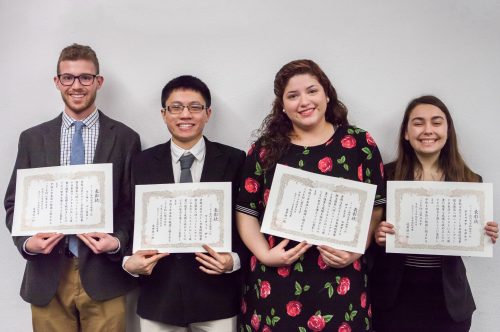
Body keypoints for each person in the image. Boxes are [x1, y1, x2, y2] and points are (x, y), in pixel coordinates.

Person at [236, 59, 385, 331]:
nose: (304, 101)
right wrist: (265, 254)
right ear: (282, 106)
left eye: (312, 91)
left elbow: (375, 209)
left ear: (327, 94)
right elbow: (245, 213)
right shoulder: (264, 150)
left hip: (341, 281)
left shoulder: (359, 144)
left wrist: (356, 250)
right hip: (276, 284)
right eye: (293, 96)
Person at [4, 44, 141, 331]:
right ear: (57, 82)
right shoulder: (32, 138)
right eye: (68, 77)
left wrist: (117, 241)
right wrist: (27, 243)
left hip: (105, 273)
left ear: (98, 82)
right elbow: (14, 203)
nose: (76, 86)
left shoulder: (126, 138)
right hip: (47, 273)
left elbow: (133, 205)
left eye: (85, 78)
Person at [123, 75, 246, 332]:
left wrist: (233, 261)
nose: (185, 115)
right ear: (164, 113)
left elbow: (247, 223)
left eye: (195, 107)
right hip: (159, 294)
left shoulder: (235, 160)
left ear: (208, 113)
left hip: (217, 296)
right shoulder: (141, 163)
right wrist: (128, 262)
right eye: (176, 107)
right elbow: (126, 217)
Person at [369, 95, 499, 332]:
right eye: (418, 123)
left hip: (448, 300)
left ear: (448, 131)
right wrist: (378, 235)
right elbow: (369, 234)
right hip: (394, 297)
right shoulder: (385, 175)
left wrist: (484, 233)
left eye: (437, 122)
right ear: (406, 133)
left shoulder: (470, 181)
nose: (428, 130)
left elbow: (468, 246)